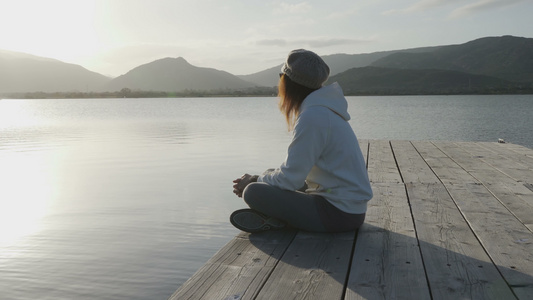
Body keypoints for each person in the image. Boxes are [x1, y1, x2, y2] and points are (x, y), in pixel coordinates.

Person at [231, 49, 372, 233]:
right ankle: (279, 219)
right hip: (348, 209)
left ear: (288, 82)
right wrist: (264, 176)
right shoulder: (325, 111)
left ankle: (279, 221)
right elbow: (295, 175)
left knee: (253, 191)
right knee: (270, 177)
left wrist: (255, 179)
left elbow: (290, 180)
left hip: (337, 215)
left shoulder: (313, 117)